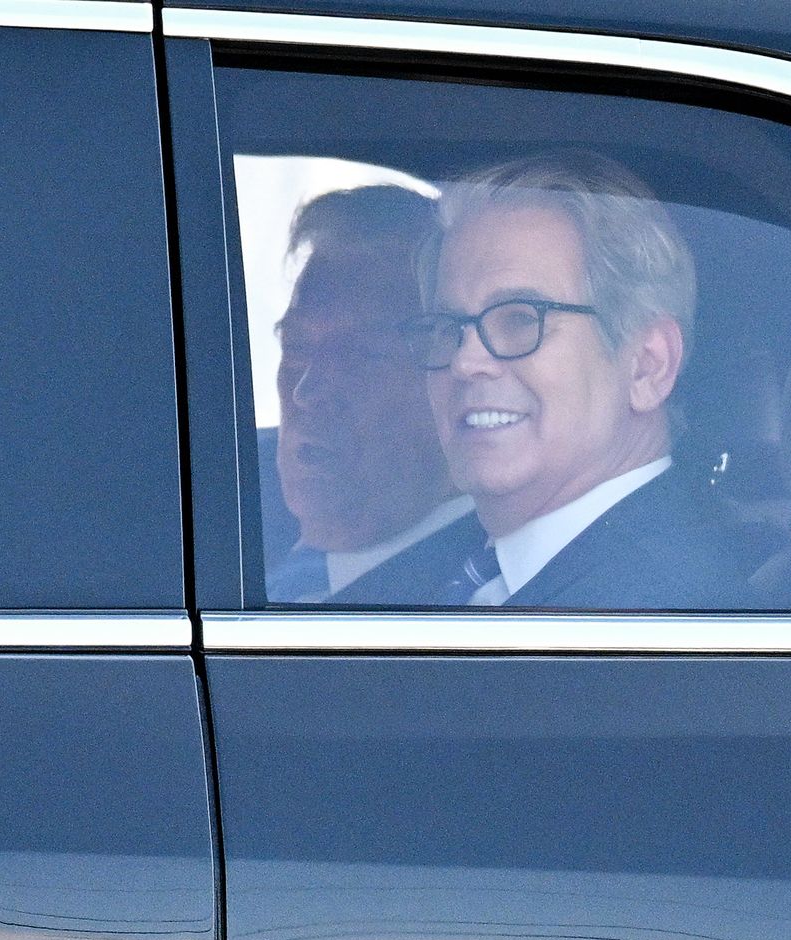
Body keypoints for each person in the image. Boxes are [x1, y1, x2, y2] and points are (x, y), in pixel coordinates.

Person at [412, 151, 752, 608]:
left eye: (520, 318)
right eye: (446, 326)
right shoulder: (447, 566)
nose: (465, 361)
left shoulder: (668, 619)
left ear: (647, 365)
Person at [265, 184, 473, 604]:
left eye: (363, 356)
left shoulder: (474, 602)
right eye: (297, 347)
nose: (308, 392)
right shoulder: (224, 510)